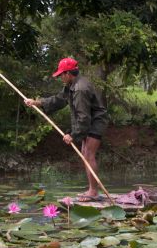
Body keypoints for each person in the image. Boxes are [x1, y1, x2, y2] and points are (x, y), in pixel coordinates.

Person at [25, 57, 109, 201]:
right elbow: (59, 99)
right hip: (88, 121)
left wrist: (73, 135)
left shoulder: (80, 89)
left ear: (68, 74)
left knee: (88, 154)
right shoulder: (71, 85)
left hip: (96, 121)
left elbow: (83, 117)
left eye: (61, 75)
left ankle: (93, 192)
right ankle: (92, 190)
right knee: (85, 153)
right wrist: (37, 103)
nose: (60, 78)